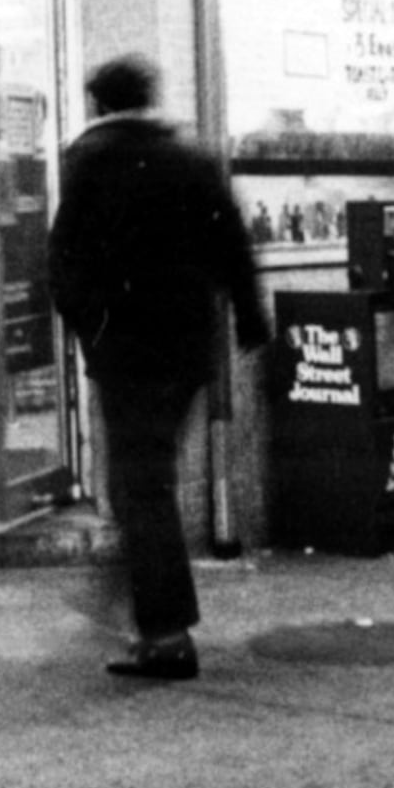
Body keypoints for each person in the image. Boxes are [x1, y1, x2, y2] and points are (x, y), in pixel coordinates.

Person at [48, 54, 269, 683]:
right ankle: (150, 610)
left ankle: (167, 635)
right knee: (147, 482)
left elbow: (63, 262)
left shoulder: (89, 162)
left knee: (141, 488)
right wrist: (249, 319)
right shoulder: (192, 158)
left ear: (97, 104)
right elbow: (232, 242)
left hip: (129, 353)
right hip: (188, 349)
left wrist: (92, 331)